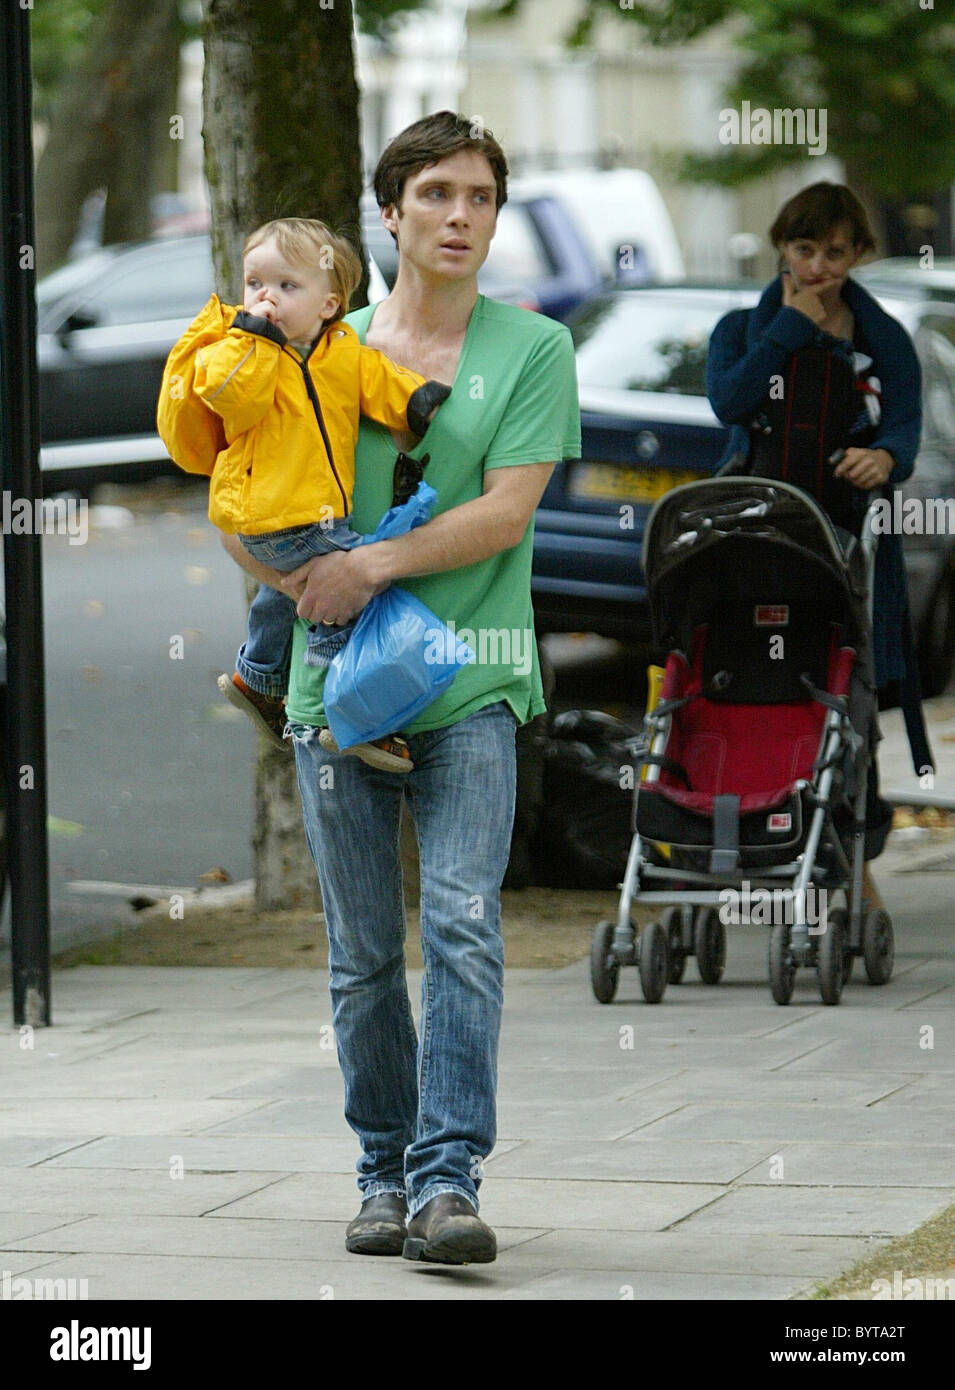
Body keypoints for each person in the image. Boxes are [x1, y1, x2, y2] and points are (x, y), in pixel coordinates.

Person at [219, 112, 580, 1265]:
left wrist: (368, 562)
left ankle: (446, 1182)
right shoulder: (316, 337)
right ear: (389, 213)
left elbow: (503, 514)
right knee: (364, 951)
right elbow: (242, 496)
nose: (458, 215)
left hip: (474, 683)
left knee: (466, 929)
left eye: (478, 196)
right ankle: (379, 1171)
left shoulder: (532, 350)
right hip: (338, 699)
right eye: (434, 194)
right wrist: (294, 581)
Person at [706, 181, 933, 899]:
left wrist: (887, 458)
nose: (817, 267)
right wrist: (789, 328)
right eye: (804, 249)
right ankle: (740, 834)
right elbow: (731, 401)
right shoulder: (742, 328)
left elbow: (903, 422)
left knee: (849, 694)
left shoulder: (881, 338)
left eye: (834, 253)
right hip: (755, 537)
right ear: (782, 245)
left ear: (859, 254)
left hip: (846, 541)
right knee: (751, 683)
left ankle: (854, 862)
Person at [184, 217, 450, 772]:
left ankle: (258, 677)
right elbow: (233, 398)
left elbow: (375, 377)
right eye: (255, 283)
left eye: (286, 286)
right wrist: (255, 340)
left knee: (289, 595)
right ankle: (350, 718)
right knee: (352, 593)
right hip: (275, 514)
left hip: (307, 515)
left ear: (330, 304)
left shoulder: (339, 352)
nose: (266, 297)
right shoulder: (237, 351)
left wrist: (415, 400)